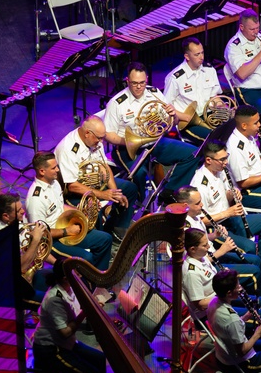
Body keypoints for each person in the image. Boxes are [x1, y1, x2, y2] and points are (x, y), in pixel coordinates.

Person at [191, 140, 261, 278]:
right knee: (249, 247)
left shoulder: (220, 170)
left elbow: (224, 196)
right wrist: (227, 212)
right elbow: (201, 221)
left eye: (226, 157)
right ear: (209, 160)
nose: (226, 162)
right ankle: (258, 272)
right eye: (222, 160)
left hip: (232, 218)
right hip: (217, 229)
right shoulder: (199, 184)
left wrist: (233, 194)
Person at [32, 266, 116, 373]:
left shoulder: (70, 289)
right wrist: (85, 313)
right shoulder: (55, 298)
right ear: (65, 278)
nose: (79, 275)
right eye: (76, 273)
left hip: (66, 343)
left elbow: (76, 313)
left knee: (99, 359)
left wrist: (92, 305)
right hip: (50, 349)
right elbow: (64, 332)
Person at [103, 62, 199, 197]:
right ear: (127, 81)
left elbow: (171, 123)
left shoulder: (154, 93)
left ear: (146, 79)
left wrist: (173, 115)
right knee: (139, 174)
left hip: (156, 142)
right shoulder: (117, 103)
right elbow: (108, 134)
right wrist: (130, 142)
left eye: (142, 83)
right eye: (135, 83)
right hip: (127, 149)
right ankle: (141, 205)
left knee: (193, 153)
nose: (139, 87)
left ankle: (170, 193)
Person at [26, 152, 112, 271]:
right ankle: (85, 284)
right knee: (86, 258)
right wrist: (66, 231)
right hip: (53, 241)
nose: (57, 170)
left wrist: (82, 211)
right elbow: (40, 234)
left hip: (67, 229)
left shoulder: (54, 183)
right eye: (53, 167)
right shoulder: (36, 199)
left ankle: (99, 279)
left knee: (105, 239)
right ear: (42, 171)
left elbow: (60, 207)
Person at [53, 115, 136, 238]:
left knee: (130, 189)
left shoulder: (94, 140)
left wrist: (114, 191)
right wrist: (103, 195)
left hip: (95, 183)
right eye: (99, 138)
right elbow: (72, 186)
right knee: (94, 209)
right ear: (87, 133)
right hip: (76, 192)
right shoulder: (67, 149)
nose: (101, 142)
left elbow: (104, 167)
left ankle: (117, 232)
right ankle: (103, 239)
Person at [179, 186, 261, 296]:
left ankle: (254, 294)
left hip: (214, 254)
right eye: (197, 203)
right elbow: (197, 259)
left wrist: (214, 235)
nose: (202, 205)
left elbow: (203, 240)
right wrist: (222, 250)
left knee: (256, 260)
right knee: (254, 272)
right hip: (209, 266)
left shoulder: (195, 217)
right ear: (185, 206)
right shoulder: (185, 228)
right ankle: (257, 302)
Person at [182, 228, 261, 320]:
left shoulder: (200, 257)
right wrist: (225, 295)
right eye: (204, 245)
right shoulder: (191, 273)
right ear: (193, 249)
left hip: (221, 299)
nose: (208, 247)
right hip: (211, 313)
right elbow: (201, 304)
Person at [163, 37, 223, 145]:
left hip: (209, 115)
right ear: (187, 56)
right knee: (215, 141)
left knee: (231, 131)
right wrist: (187, 117)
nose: (202, 57)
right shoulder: (175, 78)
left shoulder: (209, 70)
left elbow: (214, 97)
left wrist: (221, 107)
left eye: (202, 52)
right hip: (188, 122)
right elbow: (166, 107)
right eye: (197, 54)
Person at [0, 192, 50, 300]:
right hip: (13, 287)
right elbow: (20, 267)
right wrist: (35, 241)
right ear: (6, 216)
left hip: (30, 273)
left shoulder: (16, 222)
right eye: (18, 211)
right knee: (52, 300)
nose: (23, 212)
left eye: (21, 208)